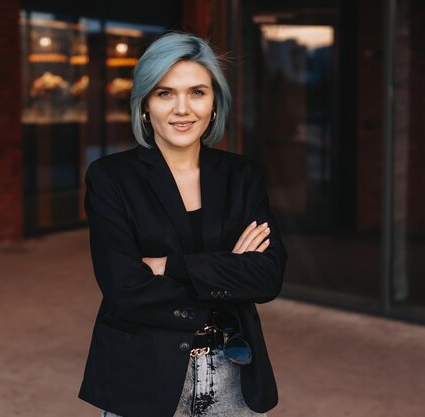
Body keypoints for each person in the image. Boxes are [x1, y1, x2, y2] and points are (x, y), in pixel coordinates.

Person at [78, 32, 287, 417]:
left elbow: (266, 277)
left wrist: (168, 267)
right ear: (144, 104)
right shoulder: (111, 178)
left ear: (214, 102)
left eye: (196, 92)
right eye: (164, 93)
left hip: (231, 372)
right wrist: (226, 270)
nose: (182, 109)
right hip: (142, 371)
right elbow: (124, 288)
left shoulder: (242, 176)